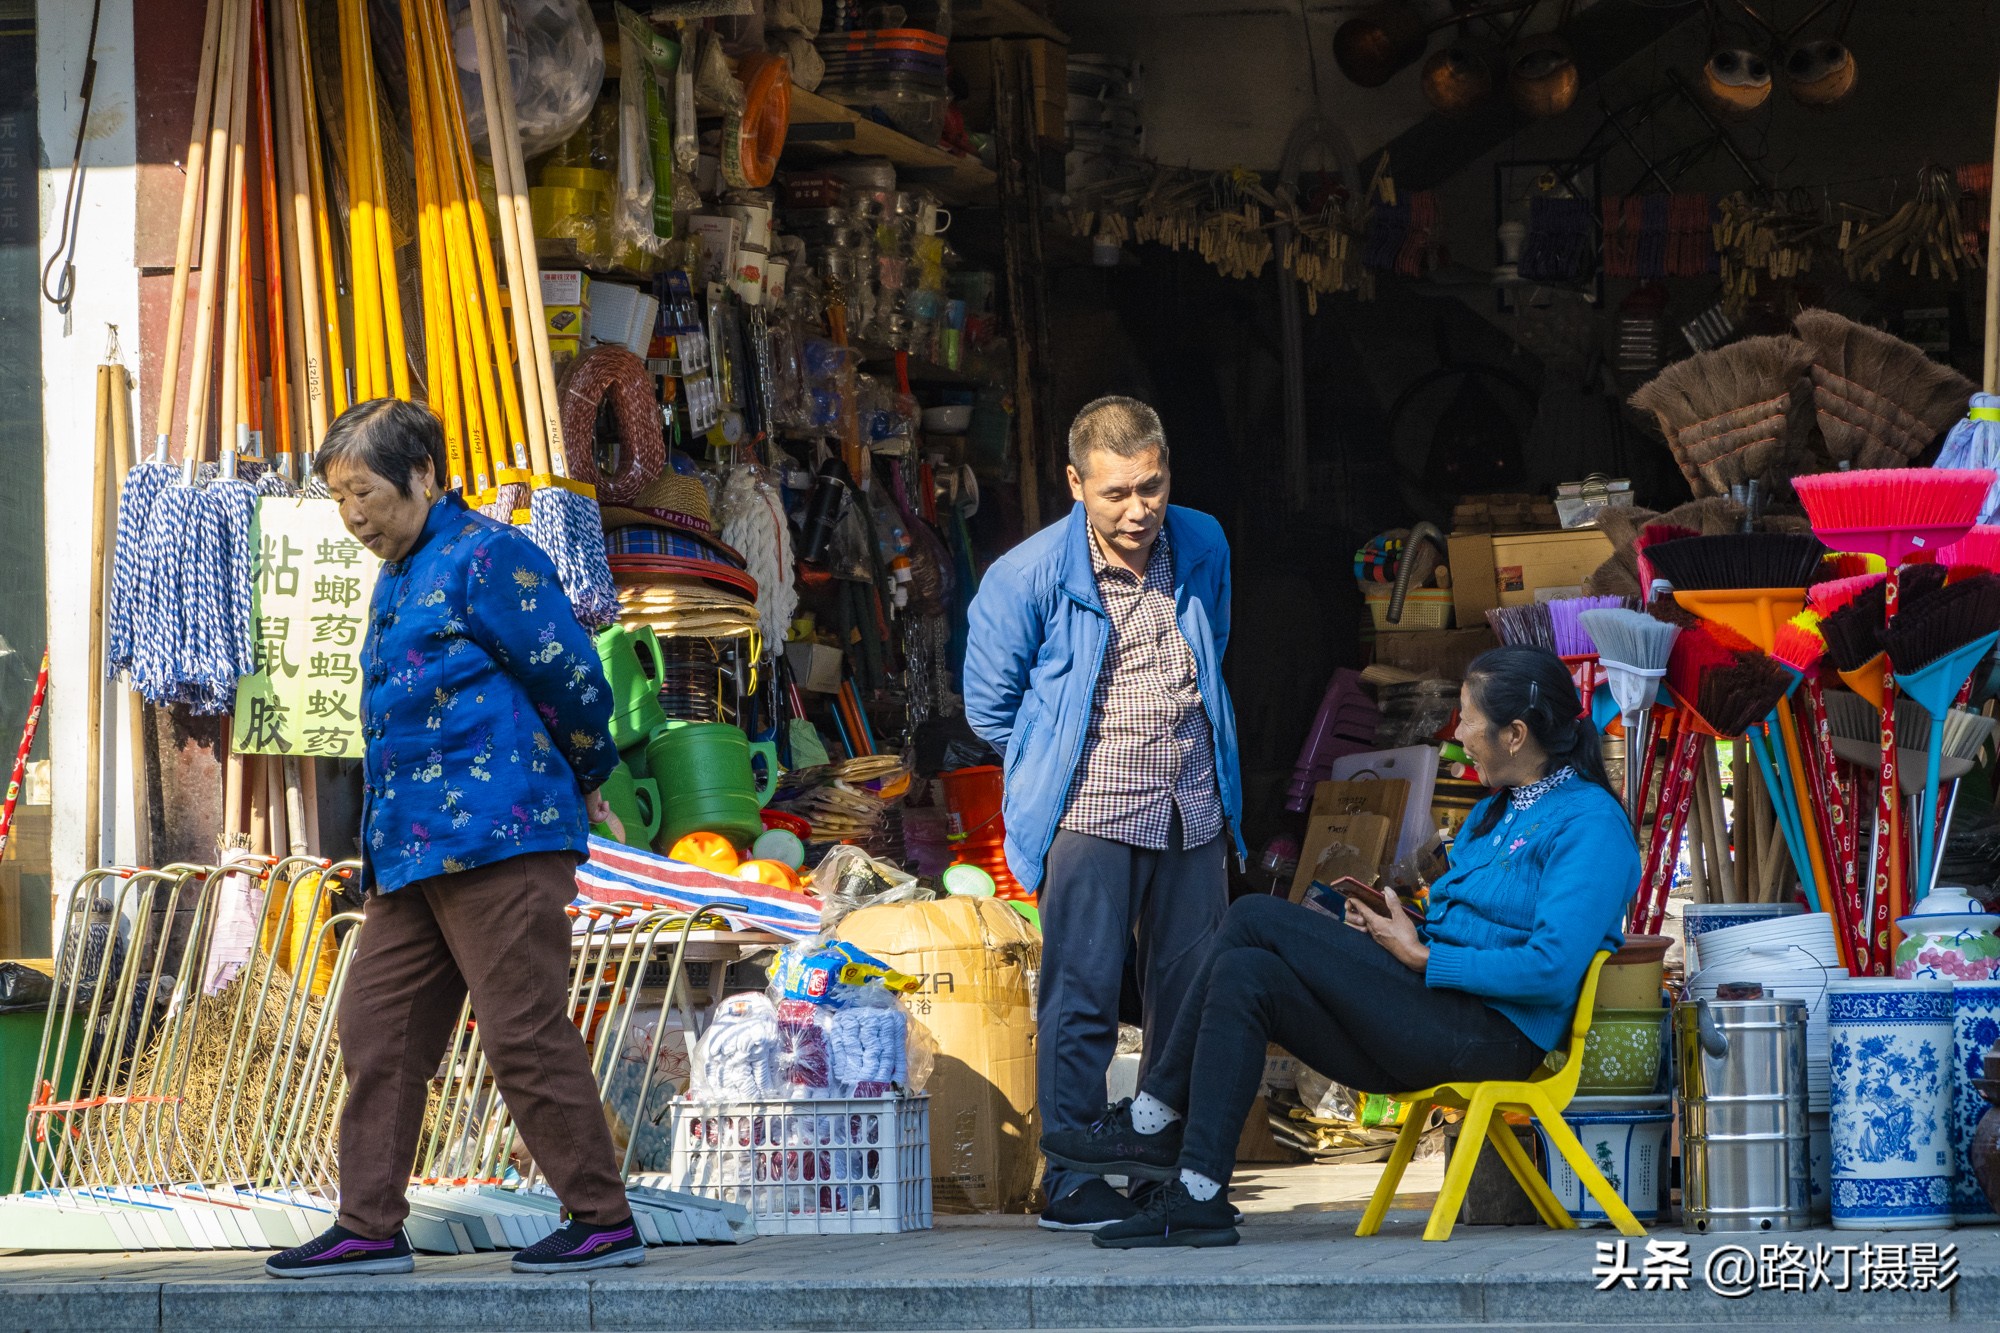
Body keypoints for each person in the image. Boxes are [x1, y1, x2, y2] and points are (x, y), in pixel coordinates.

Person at [1041, 645, 1641, 1249]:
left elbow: (1551, 969)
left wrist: (1423, 957)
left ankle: (1153, 1118)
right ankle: (1198, 1195)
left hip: (1491, 1038)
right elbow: (1462, 930)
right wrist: (1397, 928)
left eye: (1467, 719)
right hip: (1428, 1017)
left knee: (1251, 915)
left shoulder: (1590, 825)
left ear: (1515, 734)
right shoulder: (1493, 814)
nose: (1456, 734)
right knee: (1247, 974)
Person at [266, 400, 644, 1278]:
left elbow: (572, 673)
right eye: (339, 500)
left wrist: (591, 774)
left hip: (498, 836)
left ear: (425, 475)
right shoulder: (400, 571)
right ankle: (367, 1224)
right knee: (377, 1027)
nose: (354, 516)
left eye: (365, 492)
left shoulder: (489, 555)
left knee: (521, 1030)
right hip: (410, 850)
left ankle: (601, 1216)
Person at [965, 396, 1244, 1232]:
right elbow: (991, 706)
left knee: (1190, 995)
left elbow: (1215, 643)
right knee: (1080, 995)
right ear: (1076, 484)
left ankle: (1171, 1170)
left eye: (1151, 487)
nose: (1138, 510)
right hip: (1087, 808)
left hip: (1191, 802)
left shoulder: (1203, 542)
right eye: (1117, 492)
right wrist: (1056, 759)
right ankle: (1073, 1175)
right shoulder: (1025, 575)